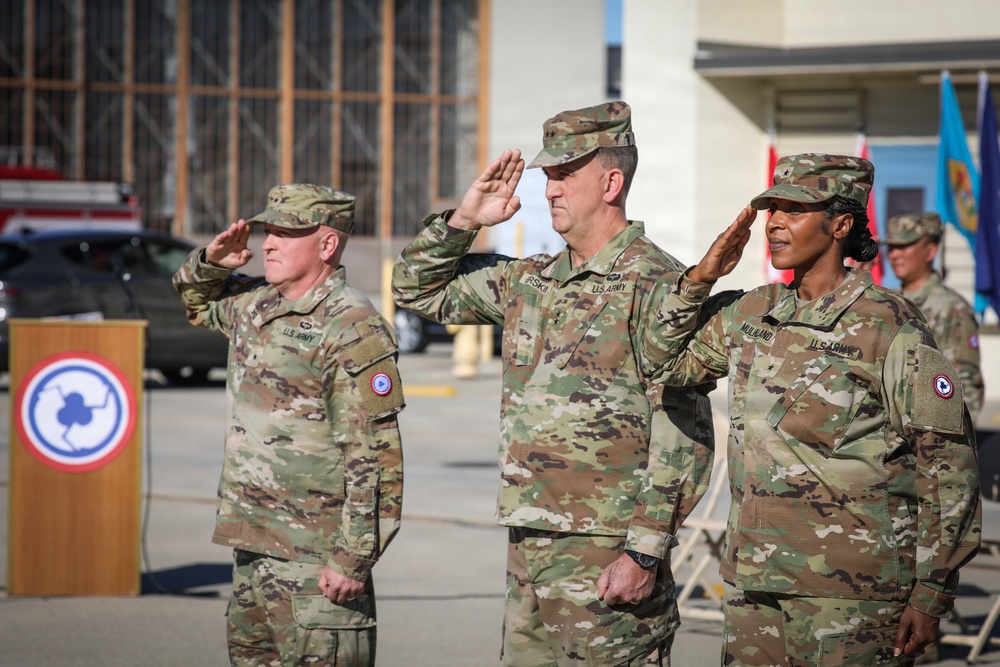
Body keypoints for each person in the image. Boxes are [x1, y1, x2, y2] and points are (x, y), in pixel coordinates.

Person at [392, 101, 716, 666]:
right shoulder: (533, 279)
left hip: (608, 548)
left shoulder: (660, 286)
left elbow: (682, 432)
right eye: (548, 176)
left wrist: (644, 552)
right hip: (530, 536)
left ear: (611, 182)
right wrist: (465, 220)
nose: (550, 190)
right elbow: (416, 290)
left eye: (566, 174)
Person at [639, 153, 982, 666]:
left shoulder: (889, 323)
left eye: (794, 210)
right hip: (753, 581)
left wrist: (932, 590)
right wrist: (699, 279)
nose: (773, 223)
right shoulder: (751, 311)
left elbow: (947, 464)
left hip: (852, 594)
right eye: (771, 210)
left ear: (841, 225)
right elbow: (659, 364)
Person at [173, 184, 405, 667]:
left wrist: (354, 557)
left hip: (314, 560)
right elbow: (197, 303)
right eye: (269, 231)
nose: (269, 244)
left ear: (327, 244)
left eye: (286, 233)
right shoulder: (258, 303)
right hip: (251, 544)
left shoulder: (351, 325)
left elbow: (374, 456)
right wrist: (212, 263)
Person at [884, 211, 984, 422]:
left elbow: (965, 384)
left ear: (930, 251)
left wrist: (951, 437)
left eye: (904, 246)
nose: (894, 255)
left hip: (926, 432)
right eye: (891, 247)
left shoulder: (952, 308)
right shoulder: (887, 302)